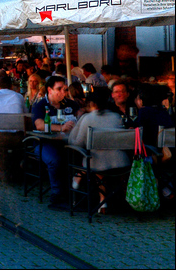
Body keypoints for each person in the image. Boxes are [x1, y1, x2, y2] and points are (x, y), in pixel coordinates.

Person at [69, 87, 130, 212]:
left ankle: (80, 178)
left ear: (92, 103)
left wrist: (73, 128)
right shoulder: (116, 117)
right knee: (102, 157)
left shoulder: (87, 118)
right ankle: (110, 201)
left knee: (94, 158)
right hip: (121, 162)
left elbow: (77, 143)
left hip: (97, 163)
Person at [31, 76, 79, 208]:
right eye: (59, 89)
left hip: (68, 143)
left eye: (64, 89)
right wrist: (60, 128)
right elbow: (39, 125)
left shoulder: (70, 104)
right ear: (49, 90)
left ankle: (77, 194)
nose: (63, 92)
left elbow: (82, 115)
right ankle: (56, 196)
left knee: (82, 156)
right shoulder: (40, 105)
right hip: (44, 143)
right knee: (54, 159)